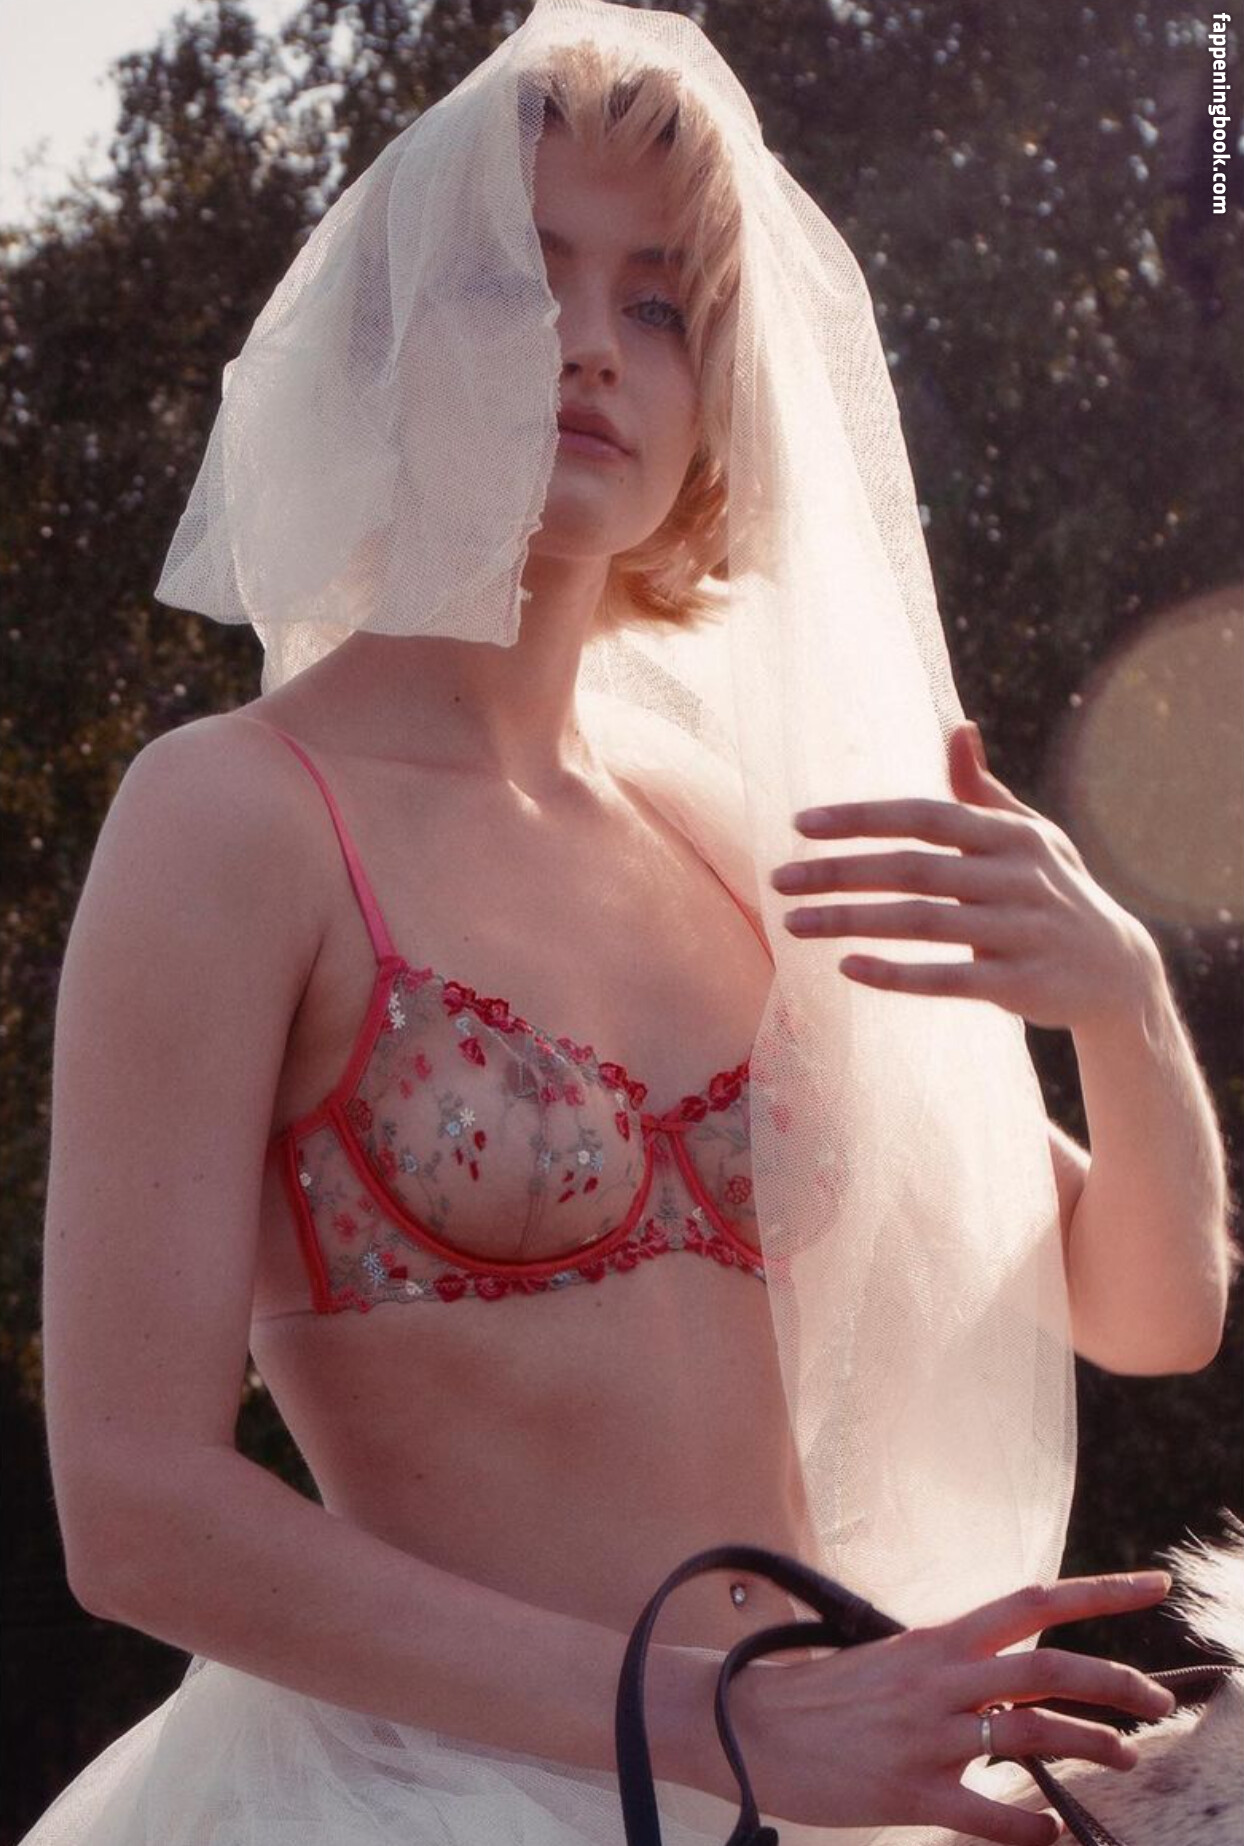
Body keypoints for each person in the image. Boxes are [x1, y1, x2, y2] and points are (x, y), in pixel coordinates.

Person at [31, 3, 1230, 1843]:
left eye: (661, 307)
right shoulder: (237, 817)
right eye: (519, 280)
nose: (591, 343)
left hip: (824, 1778)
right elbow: (131, 1509)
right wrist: (723, 1724)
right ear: (385, 355)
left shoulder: (737, 840)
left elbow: (1145, 1310)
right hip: (444, 1797)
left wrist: (1121, 1005)